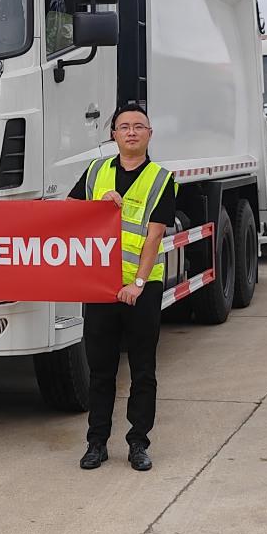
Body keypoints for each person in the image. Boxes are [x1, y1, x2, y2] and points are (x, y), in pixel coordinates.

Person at [68, 102, 176, 472]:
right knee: (101, 370)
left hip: (141, 289)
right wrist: (97, 203)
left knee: (143, 369)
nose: (131, 132)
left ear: (149, 134)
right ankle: (96, 443)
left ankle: (138, 443)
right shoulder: (96, 172)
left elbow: (153, 237)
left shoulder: (161, 179)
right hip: (100, 287)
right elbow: (67, 212)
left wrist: (138, 283)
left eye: (138, 126)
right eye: (124, 126)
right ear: (113, 134)